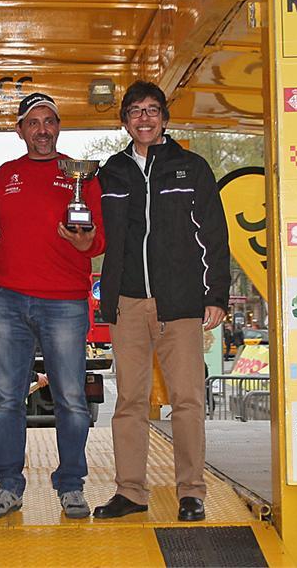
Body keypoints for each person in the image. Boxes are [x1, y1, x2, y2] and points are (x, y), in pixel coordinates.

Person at [93, 81, 230, 523]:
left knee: (186, 401)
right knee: (128, 402)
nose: (144, 118)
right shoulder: (109, 172)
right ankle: (130, 492)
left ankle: (191, 492)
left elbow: (213, 234)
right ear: (125, 121)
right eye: (135, 111)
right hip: (127, 304)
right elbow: (95, 234)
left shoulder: (191, 167)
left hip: (181, 303)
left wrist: (216, 295)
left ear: (165, 118)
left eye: (152, 110)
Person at [0, 92, 104, 520]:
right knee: (7, 399)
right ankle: (8, 486)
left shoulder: (81, 175)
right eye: (33, 122)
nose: (42, 130)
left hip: (65, 302)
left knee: (71, 398)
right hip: (9, 301)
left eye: (49, 121)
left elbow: (97, 240)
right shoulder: (5, 174)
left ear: (58, 127)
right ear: (20, 130)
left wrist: (84, 241)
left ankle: (71, 485)